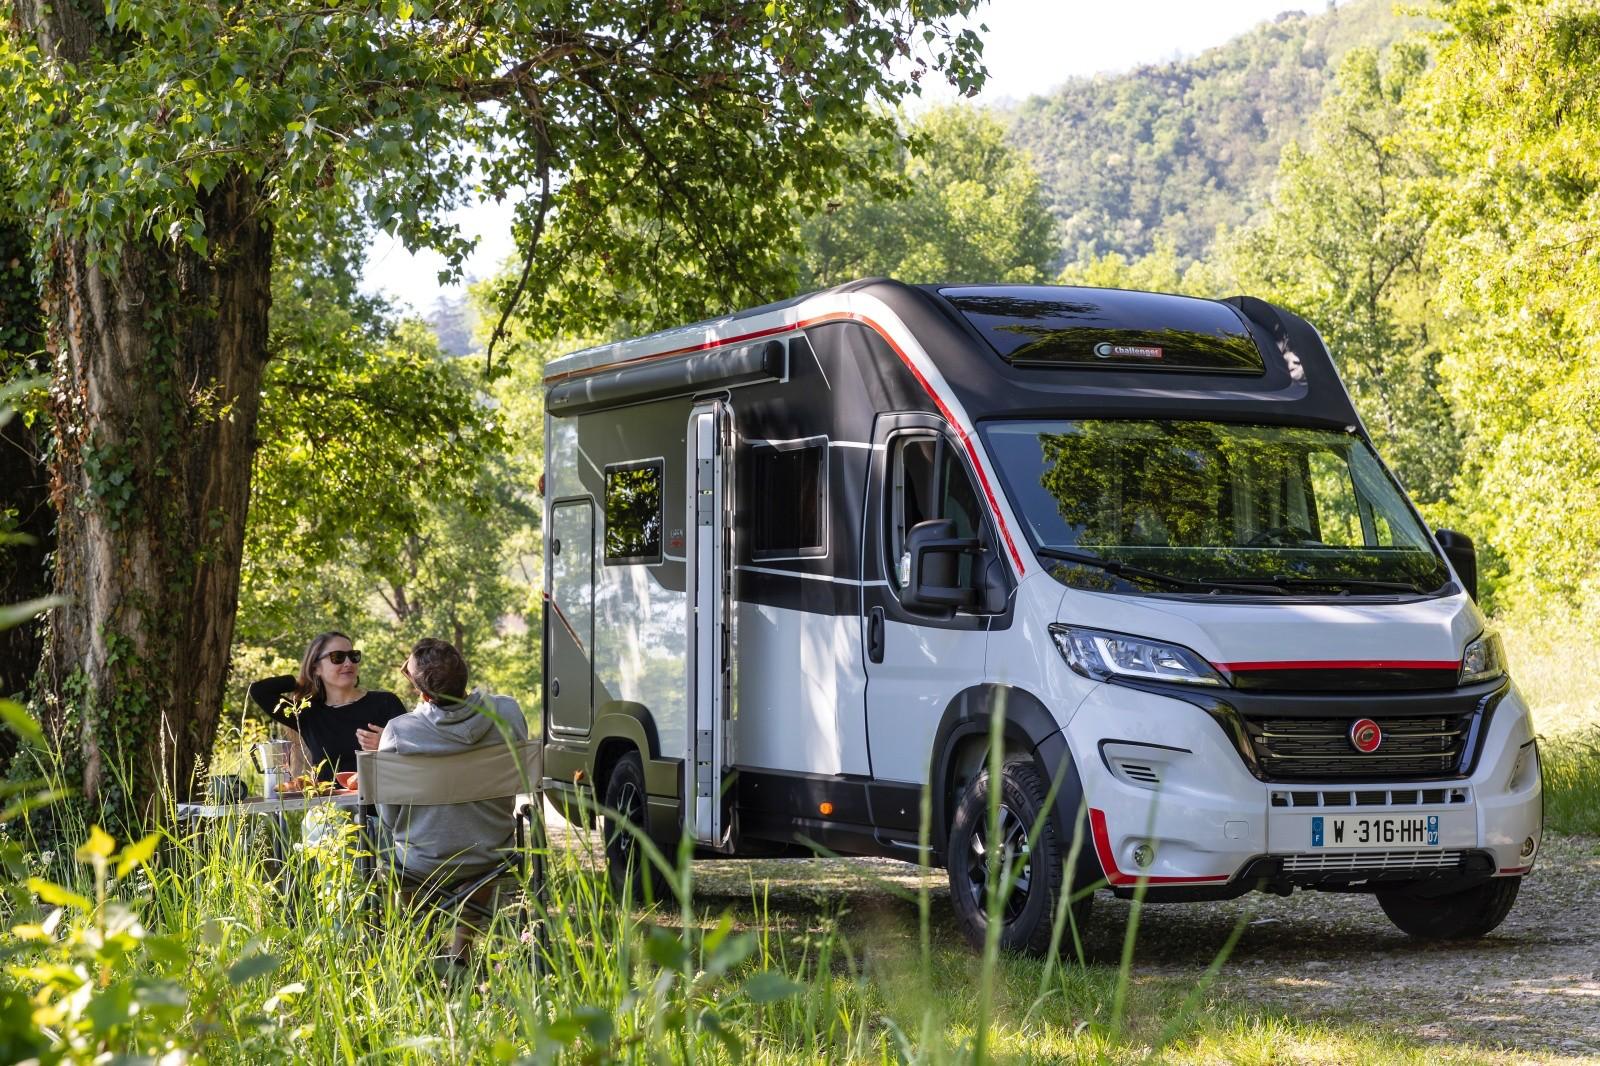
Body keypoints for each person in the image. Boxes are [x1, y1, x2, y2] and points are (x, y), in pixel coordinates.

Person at [371, 638, 528, 959]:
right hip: (493, 853)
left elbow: (389, 816)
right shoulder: (507, 711)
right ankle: (462, 949)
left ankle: (424, 941)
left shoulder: (400, 731)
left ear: (423, 692)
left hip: (423, 860)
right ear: (464, 675)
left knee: (388, 842)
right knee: (474, 831)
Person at [249, 631, 407, 782]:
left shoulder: (386, 702)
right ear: (316, 667)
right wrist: (301, 681)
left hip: (383, 807)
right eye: (337, 657)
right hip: (331, 807)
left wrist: (386, 745)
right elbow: (259, 691)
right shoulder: (307, 713)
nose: (348, 663)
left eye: (353, 656)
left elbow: (417, 756)